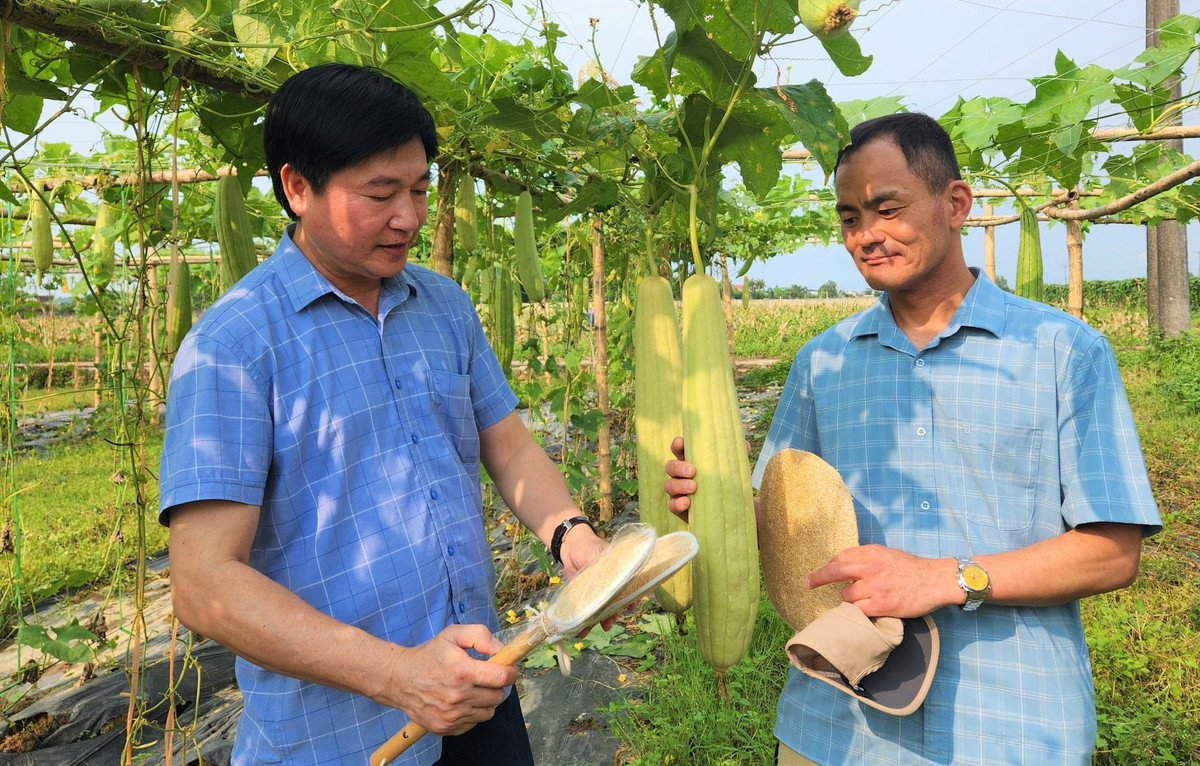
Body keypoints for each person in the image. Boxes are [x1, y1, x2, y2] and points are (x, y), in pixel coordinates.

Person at [665, 112, 1161, 765]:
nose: (866, 235)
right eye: (849, 218)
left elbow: (1112, 552)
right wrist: (716, 500)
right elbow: (778, 524)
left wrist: (947, 577)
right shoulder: (822, 363)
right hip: (836, 725)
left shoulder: (1064, 352)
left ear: (955, 204)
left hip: (1009, 727)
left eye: (887, 209)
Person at [159, 63, 608, 766]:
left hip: (478, 688)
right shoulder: (233, 345)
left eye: (420, 189)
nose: (410, 215)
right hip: (340, 738)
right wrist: (399, 676)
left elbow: (510, 448)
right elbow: (204, 583)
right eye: (380, 193)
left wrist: (572, 538)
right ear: (296, 188)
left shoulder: (444, 306)